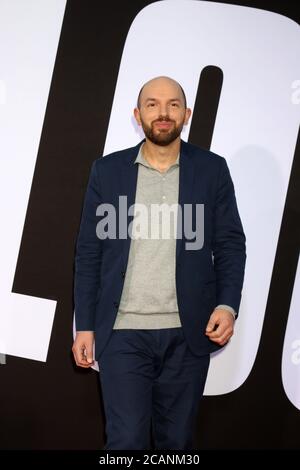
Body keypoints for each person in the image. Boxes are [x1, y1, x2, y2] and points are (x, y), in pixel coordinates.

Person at [72, 76, 246, 450]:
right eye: (152, 104)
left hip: (188, 332)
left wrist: (228, 304)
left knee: (177, 443)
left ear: (187, 113)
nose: (163, 113)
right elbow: (90, 251)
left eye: (172, 104)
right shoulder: (108, 171)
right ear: (138, 115)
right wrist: (84, 324)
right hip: (122, 332)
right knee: (127, 440)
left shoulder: (212, 170)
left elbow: (231, 244)